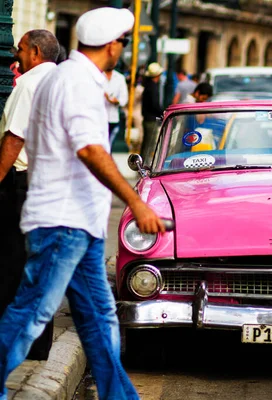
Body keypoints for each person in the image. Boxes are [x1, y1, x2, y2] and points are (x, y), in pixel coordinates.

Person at [0, 8, 165, 400]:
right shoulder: (76, 83)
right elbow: (90, 150)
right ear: (113, 45)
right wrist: (136, 202)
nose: (123, 48)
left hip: (80, 224)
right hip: (63, 222)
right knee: (31, 313)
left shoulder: (70, 77)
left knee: (98, 318)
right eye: (124, 42)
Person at [0, 29, 60, 362]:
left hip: (22, 185)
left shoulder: (29, 84)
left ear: (35, 52)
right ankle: (37, 345)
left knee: (11, 262)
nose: (16, 55)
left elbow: (14, 138)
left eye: (20, 49)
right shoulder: (62, 82)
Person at [140, 62, 164, 162]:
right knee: (150, 145)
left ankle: (142, 164)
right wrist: (162, 113)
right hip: (151, 119)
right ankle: (144, 165)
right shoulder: (153, 87)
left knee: (146, 143)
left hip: (147, 118)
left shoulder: (148, 85)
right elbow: (154, 104)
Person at [104, 66, 128, 148]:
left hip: (113, 118)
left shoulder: (119, 78)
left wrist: (116, 101)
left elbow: (124, 99)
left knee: (108, 146)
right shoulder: (98, 75)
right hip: (99, 117)